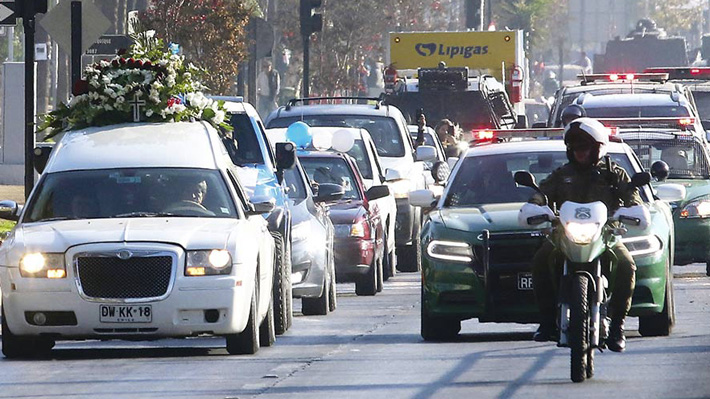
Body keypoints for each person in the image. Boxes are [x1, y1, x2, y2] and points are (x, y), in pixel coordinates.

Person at [529, 117, 642, 353]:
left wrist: (632, 207)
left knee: (627, 265)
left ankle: (618, 326)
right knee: (541, 260)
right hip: (565, 234)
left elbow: (631, 193)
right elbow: (542, 193)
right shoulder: (562, 174)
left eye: (586, 147)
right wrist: (535, 204)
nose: (581, 152)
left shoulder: (613, 173)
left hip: (605, 235)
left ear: (598, 148)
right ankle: (547, 321)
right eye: (576, 148)